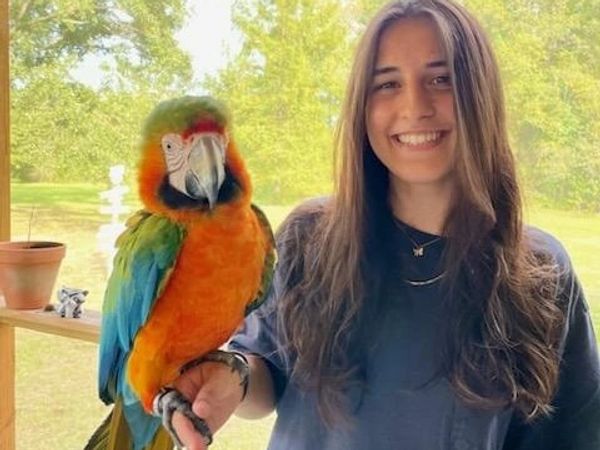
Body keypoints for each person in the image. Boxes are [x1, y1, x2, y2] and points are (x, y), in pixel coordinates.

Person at [170, 1, 600, 448]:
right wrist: (232, 376)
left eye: (441, 79)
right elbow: (264, 375)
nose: (415, 106)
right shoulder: (309, 238)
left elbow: (569, 434)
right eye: (388, 84)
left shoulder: (541, 272)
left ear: (481, 95)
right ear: (362, 105)